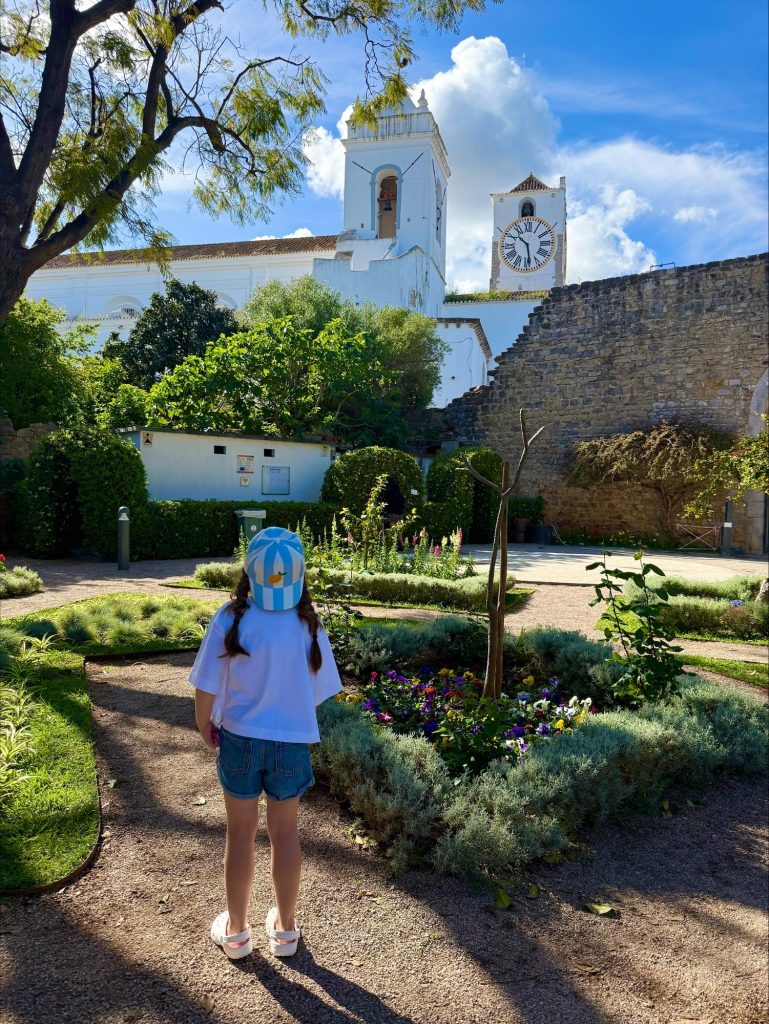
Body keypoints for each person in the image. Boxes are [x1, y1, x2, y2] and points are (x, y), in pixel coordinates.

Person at [189, 526, 342, 960]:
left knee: (239, 834)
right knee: (286, 833)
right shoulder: (308, 625)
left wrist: (205, 723)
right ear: (301, 576)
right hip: (290, 745)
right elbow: (316, 691)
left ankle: (236, 932)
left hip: (239, 740)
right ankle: (286, 931)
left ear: (248, 572)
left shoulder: (231, 617)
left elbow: (205, 685)